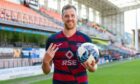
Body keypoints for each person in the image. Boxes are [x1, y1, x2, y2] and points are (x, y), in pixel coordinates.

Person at [42, 4, 97, 84]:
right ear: (62, 18)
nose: (70, 18)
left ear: (76, 17)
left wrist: (91, 67)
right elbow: (46, 71)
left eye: (72, 15)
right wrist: (45, 62)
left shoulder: (86, 40)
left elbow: (93, 68)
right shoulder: (52, 40)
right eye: (66, 16)